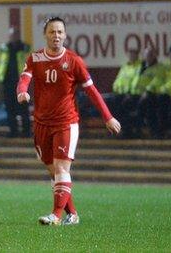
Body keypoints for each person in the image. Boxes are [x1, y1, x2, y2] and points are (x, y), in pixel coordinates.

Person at [17, 17, 121, 226]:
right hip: (41, 124)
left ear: (65, 35)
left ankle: (55, 215)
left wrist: (107, 116)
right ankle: (72, 214)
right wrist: (22, 92)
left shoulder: (74, 61)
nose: (56, 36)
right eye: (52, 32)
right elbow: (24, 79)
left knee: (62, 169)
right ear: (45, 34)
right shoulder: (35, 58)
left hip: (66, 122)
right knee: (54, 172)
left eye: (60, 32)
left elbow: (92, 91)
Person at [0, 27, 32, 138]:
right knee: (10, 108)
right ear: (9, 36)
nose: (14, 37)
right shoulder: (4, 48)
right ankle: (13, 131)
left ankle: (26, 131)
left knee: (23, 108)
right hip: (8, 82)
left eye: (16, 35)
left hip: (22, 83)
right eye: (12, 35)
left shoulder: (25, 48)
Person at [133, 47, 169, 138]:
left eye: (150, 55)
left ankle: (151, 131)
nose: (148, 57)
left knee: (147, 104)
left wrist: (147, 91)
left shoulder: (159, 67)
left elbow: (157, 81)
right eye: (147, 55)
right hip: (138, 93)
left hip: (152, 94)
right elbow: (135, 81)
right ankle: (127, 131)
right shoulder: (141, 67)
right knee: (124, 102)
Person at [111, 49, 141, 138]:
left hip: (133, 94)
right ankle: (116, 130)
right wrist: (116, 88)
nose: (132, 56)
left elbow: (136, 81)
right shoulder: (125, 66)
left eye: (134, 54)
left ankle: (126, 131)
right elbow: (118, 80)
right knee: (112, 103)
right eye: (130, 54)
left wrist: (128, 91)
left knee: (125, 105)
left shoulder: (139, 66)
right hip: (121, 94)